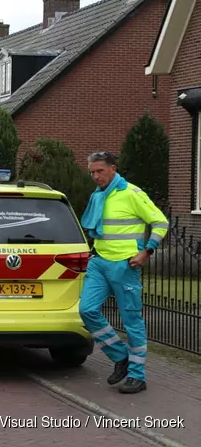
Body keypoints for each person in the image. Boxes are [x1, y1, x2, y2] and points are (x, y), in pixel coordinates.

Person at [79, 151, 168, 394]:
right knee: (86, 310)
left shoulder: (132, 193)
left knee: (132, 322)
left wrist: (147, 252)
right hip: (99, 261)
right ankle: (121, 356)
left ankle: (137, 376)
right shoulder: (98, 196)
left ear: (113, 169)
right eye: (92, 172)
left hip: (126, 266)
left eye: (100, 171)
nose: (95, 176)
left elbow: (161, 222)